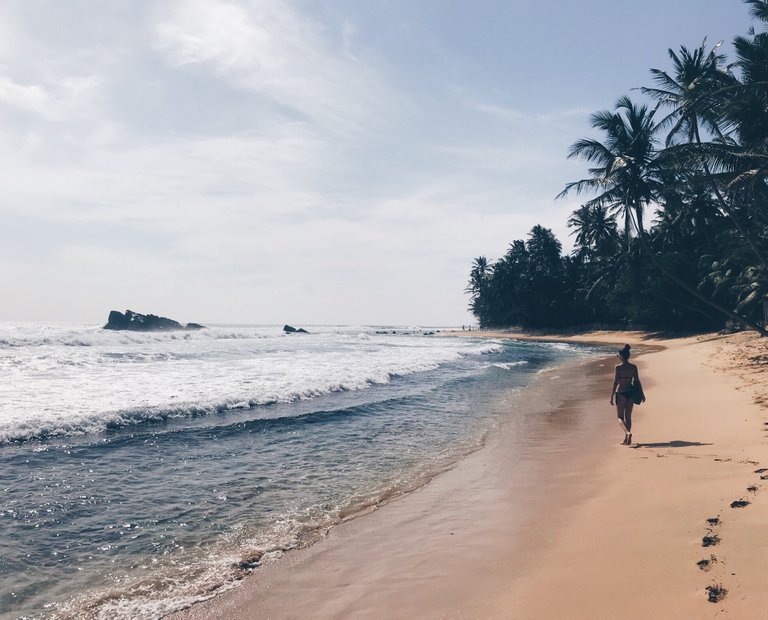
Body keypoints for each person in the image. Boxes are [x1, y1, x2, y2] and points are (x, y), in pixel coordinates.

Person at [610, 344, 645, 445]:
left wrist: (612, 395)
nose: (618, 357)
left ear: (621, 356)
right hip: (631, 393)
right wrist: (642, 394)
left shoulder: (618, 368)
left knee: (620, 418)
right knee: (628, 417)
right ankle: (627, 439)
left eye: (618, 355)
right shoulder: (633, 367)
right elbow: (637, 381)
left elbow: (615, 382)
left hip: (621, 393)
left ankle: (627, 433)